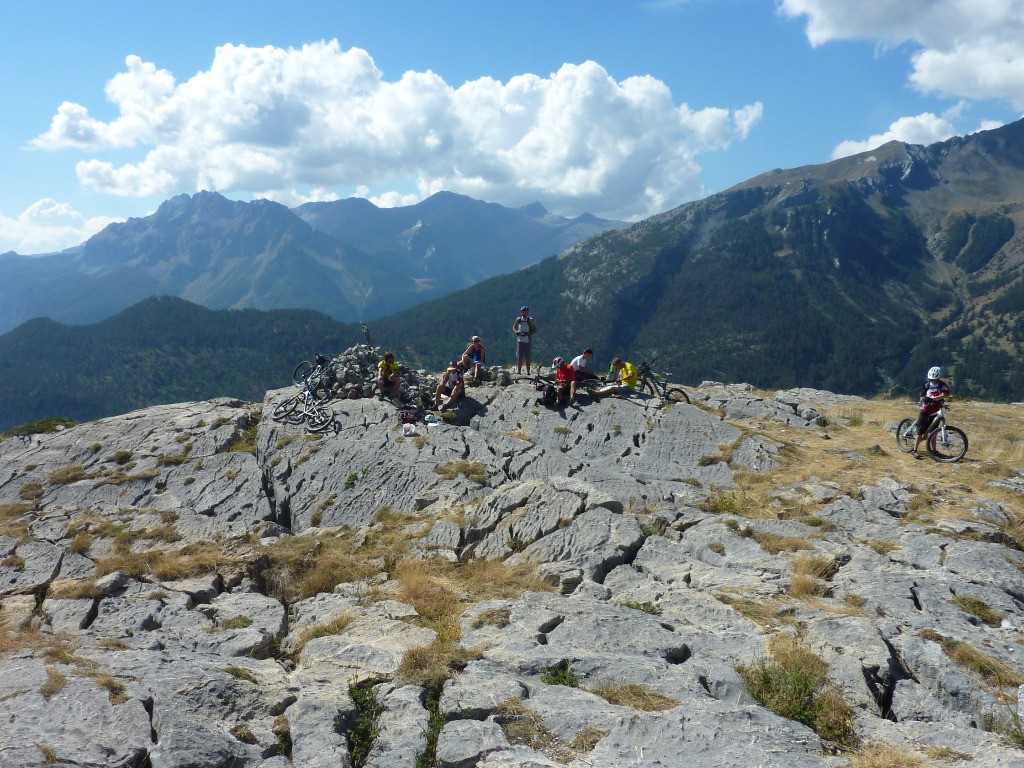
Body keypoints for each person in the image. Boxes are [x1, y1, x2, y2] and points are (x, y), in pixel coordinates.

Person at [912, 365, 950, 459]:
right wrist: (925, 399)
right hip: (925, 410)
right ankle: (915, 450)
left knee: (934, 431)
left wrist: (935, 399)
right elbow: (921, 398)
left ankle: (934, 451)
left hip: (935, 410)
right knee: (920, 430)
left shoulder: (942, 384)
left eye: (935, 379)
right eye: (931, 379)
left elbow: (945, 393)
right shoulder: (926, 385)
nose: (933, 381)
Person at [512, 306, 537, 375]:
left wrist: (527, 334)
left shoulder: (530, 320)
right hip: (520, 340)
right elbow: (514, 327)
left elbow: (535, 330)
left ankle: (528, 372)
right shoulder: (519, 319)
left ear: (527, 312)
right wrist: (516, 332)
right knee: (519, 357)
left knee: (527, 357)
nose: (524, 313)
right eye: (522, 311)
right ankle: (519, 371)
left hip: (527, 341)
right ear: (521, 312)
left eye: (525, 311)